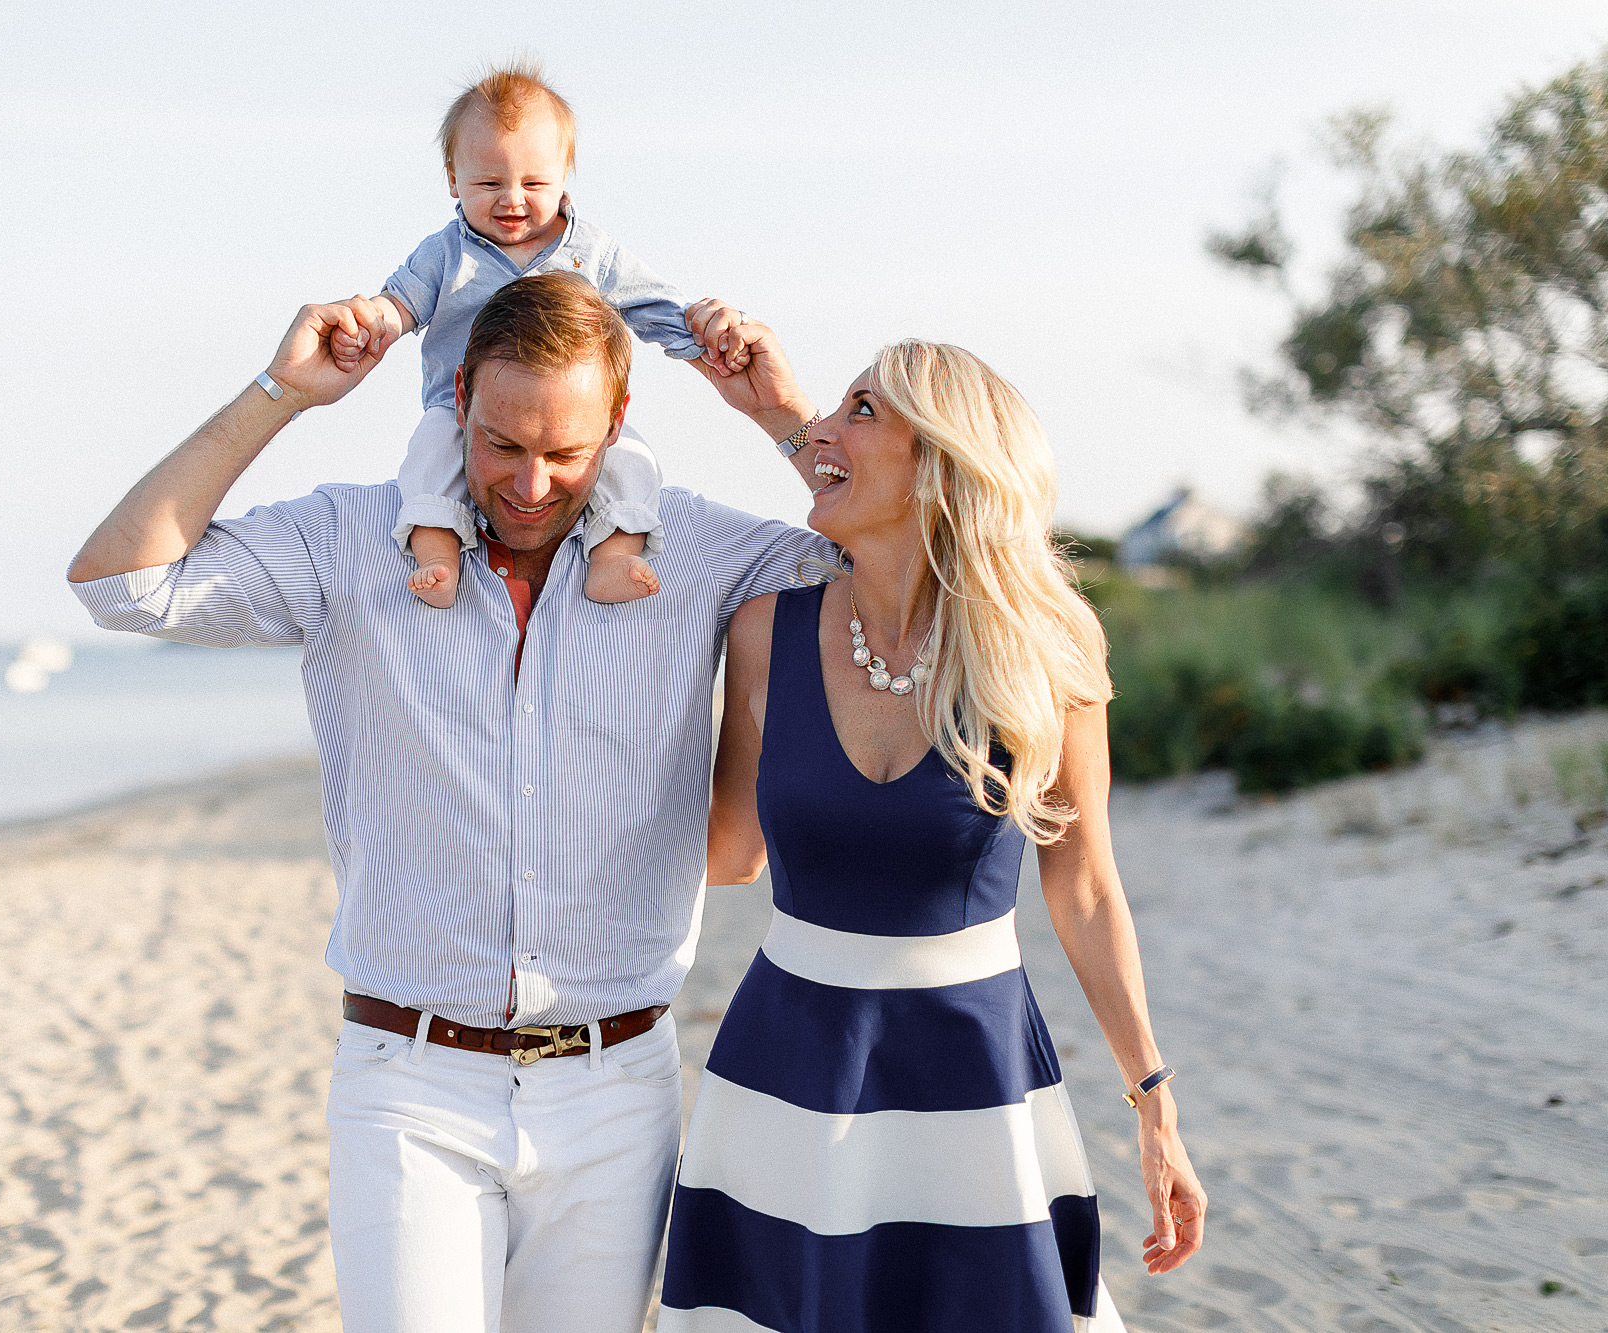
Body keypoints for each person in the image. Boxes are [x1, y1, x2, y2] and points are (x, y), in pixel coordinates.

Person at [66, 272, 832, 1332]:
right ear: (458, 397)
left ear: (618, 423)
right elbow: (120, 583)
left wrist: (783, 417)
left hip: (617, 1089)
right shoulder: (345, 539)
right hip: (407, 1084)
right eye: (499, 443)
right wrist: (278, 394)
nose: (528, 483)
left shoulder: (701, 552)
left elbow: (915, 565)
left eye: (565, 453)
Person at [657, 342, 1206, 1331]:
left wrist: (1153, 1103)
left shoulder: (1046, 649)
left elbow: (1081, 886)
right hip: (785, 1070)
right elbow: (726, 851)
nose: (823, 429)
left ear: (944, 462)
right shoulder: (760, 634)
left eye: (860, 409)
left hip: (972, 1074)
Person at [327, 60, 745, 610]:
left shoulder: (591, 253)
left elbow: (654, 305)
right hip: (465, 416)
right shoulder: (447, 254)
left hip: (573, 419)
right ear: (453, 177)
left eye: (534, 183)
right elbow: (398, 304)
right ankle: (437, 554)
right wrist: (364, 325)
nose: (512, 200)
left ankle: (615, 554)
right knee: (428, 459)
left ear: (565, 175)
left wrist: (708, 335)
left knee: (631, 461)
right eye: (488, 183)